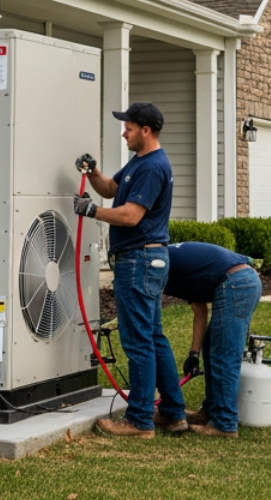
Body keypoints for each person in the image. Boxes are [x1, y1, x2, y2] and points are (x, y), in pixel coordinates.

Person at [72, 102, 187, 438]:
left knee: (138, 341)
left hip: (139, 260)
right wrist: (93, 173)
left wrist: (92, 212)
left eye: (129, 127)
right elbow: (112, 190)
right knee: (153, 338)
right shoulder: (140, 162)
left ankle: (139, 420)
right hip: (145, 260)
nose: (124, 132)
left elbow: (131, 215)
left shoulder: (153, 167)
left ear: (146, 131)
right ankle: (173, 413)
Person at [165, 240, 262, 439]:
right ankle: (211, 411)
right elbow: (200, 310)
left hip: (236, 283)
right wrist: (194, 354)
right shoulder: (175, 263)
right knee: (213, 348)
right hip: (238, 281)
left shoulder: (162, 265)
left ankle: (225, 424)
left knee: (224, 355)